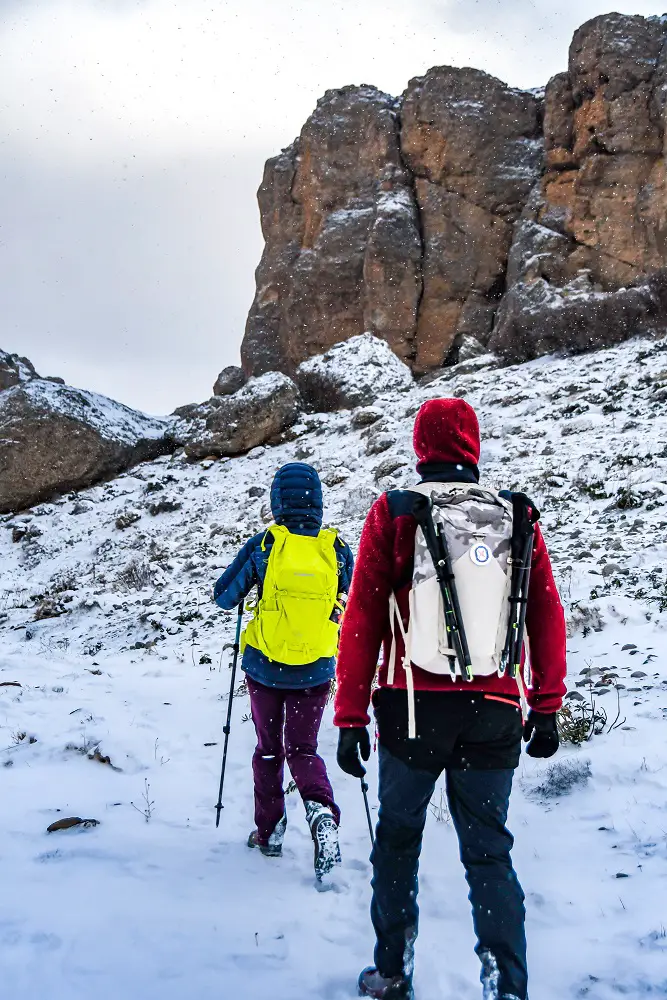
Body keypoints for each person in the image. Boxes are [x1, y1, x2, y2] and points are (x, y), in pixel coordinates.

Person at [334, 398, 567, 1000]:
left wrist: (351, 714)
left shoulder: (394, 512)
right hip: (494, 710)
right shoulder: (515, 514)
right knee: (489, 852)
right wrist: (545, 704)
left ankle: (391, 972)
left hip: (410, 709)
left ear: (420, 446)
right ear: (473, 444)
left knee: (398, 840)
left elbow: (361, 618)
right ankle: (506, 985)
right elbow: (544, 612)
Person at [214, 461, 354, 880]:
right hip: (316, 669)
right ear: (318, 502)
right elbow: (350, 599)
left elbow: (224, 596)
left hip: (265, 669)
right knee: (304, 750)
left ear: (277, 501)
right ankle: (321, 812)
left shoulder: (265, 544)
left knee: (268, 750)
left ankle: (269, 831)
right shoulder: (337, 549)